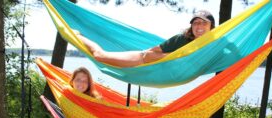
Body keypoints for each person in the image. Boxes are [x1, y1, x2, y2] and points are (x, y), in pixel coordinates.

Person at [76, 10, 215, 67]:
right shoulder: (181, 39)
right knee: (100, 56)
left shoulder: (214, 44)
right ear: (191, 27)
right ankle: (78, 36)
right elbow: (150, 54)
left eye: (204, 23)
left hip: (157, 69)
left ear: (212, 27)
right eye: (196, 23)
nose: (199, 26)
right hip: (140, 62)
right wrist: (175, 56)